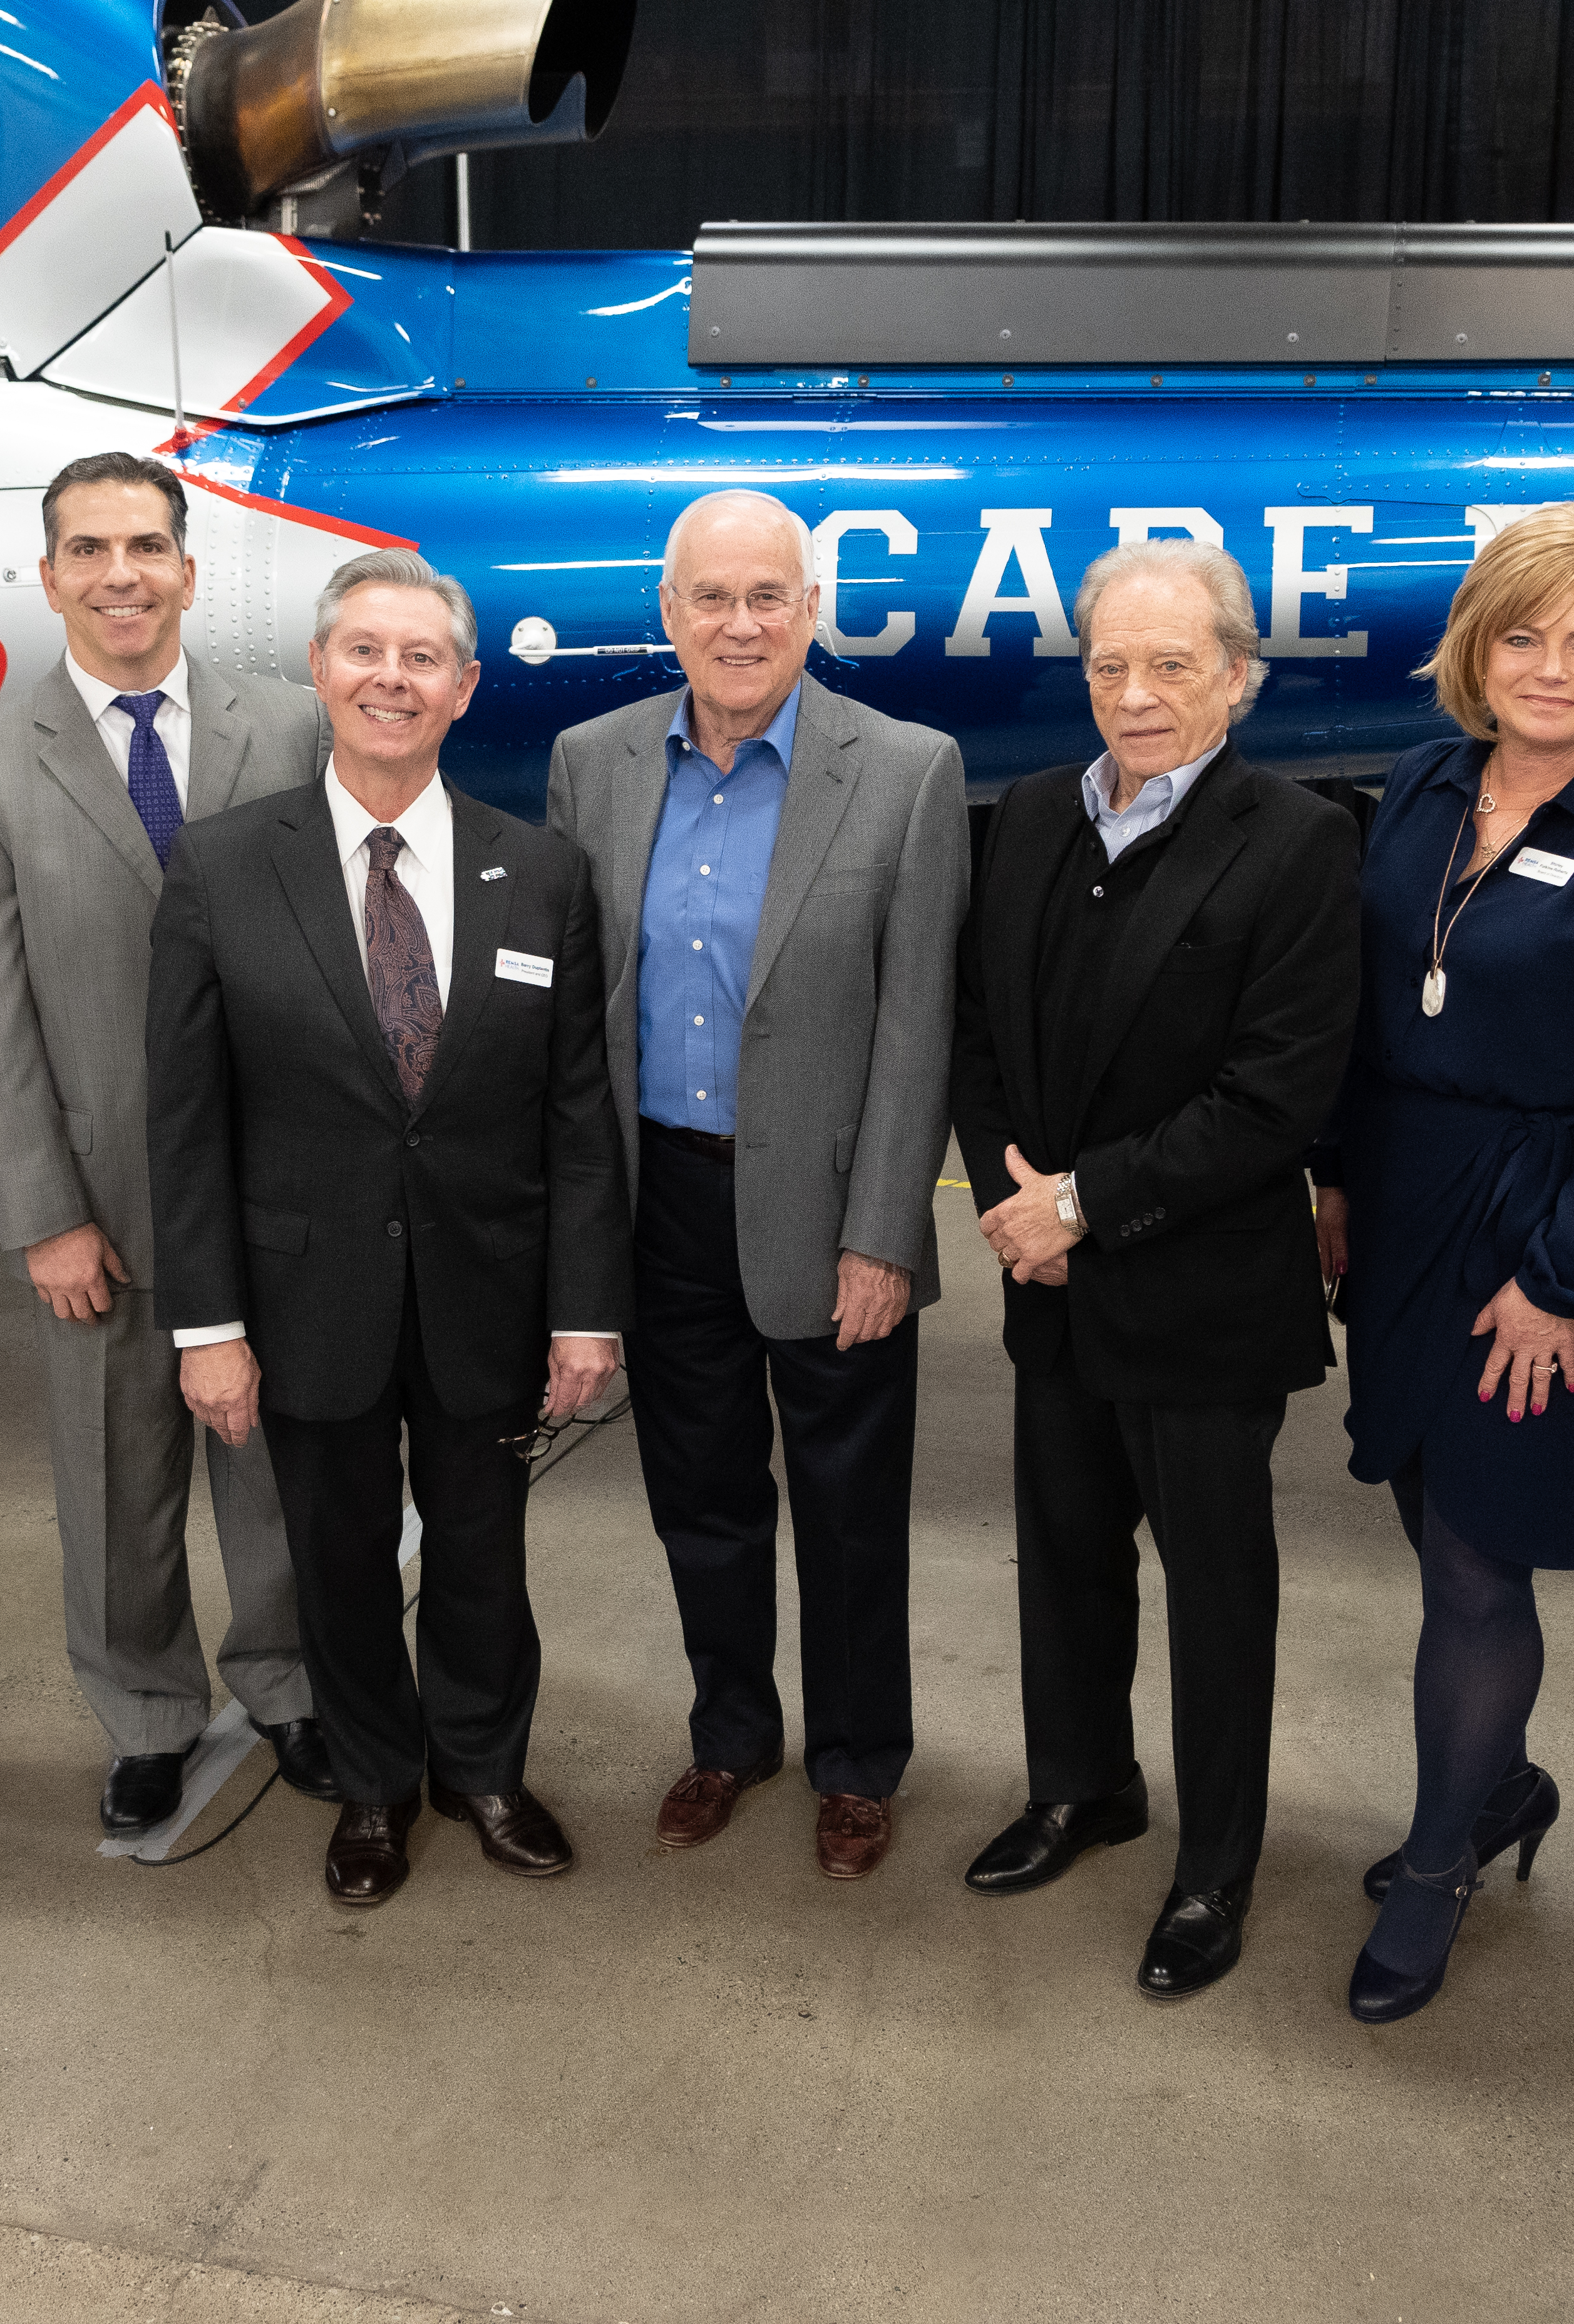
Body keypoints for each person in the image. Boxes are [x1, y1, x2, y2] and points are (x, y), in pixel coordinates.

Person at [145, 548, 629, 1908]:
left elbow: (578, 1117)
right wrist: (211, 1326)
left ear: (466, 687)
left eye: (423, 658)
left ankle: (482, 1765)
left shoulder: (542, 875)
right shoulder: (228, 866)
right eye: (366, 650)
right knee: (340, 1557)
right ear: (320, 669)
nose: (391, 679)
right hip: (307, 1299)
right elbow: (185, 1119)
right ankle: (373, 1783)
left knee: (484, 1549)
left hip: (489, 1290)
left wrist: (587, 1310)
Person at [1309, 505, 1574, 2023]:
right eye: (1521, 634)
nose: (1550, 669)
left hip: (1553, 1227)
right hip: (1411, 1206)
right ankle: (1499, 1787)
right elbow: (1368, 1013)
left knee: (1485, 1555)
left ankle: (1437, 1862)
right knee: (1434, 1519)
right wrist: (1339, 1179)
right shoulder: (1423, 787)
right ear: (1475, 648)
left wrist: (1563, 1278)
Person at [949, 538, 1359, 1998]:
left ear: (1237, 680)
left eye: (1172, 665)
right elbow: (977, 1026)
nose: (1136, 693)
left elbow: (1275, 1095)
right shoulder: (1034, 824)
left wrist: (1080, 1205)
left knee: (1215, 1589)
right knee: (1065, 1557)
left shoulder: (1301, 843)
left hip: (1195, 1293)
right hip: (1047, 1277)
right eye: (1111, 664)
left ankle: (1214, 1864)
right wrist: (1016, 1203)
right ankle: (1082, 1786)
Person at [543, 490, 968, 1881]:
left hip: (830, 1206)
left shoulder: (905, 770)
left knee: (851, 1504)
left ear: (809, 609)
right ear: (669, 613)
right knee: (701, 1491)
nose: (739, 624)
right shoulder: (590, 762)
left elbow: (918, 1031)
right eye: (711, 598)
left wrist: (886, 1231)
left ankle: (858, 1759)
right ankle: (733, 1732)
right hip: (661, 1191)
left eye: (767, 597)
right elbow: (575, 1018)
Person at [0, 452, 338, 1842]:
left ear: (188, 568)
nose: (121, 574)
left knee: (278, 1470)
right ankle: (146, 1716)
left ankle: (288, 1684)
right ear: (46, 578)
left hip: (277, 1197)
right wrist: (42, 1212)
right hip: (99, 1203)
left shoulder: (288, 729)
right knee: (116, 1487)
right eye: (90, 549)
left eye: (147, 546)